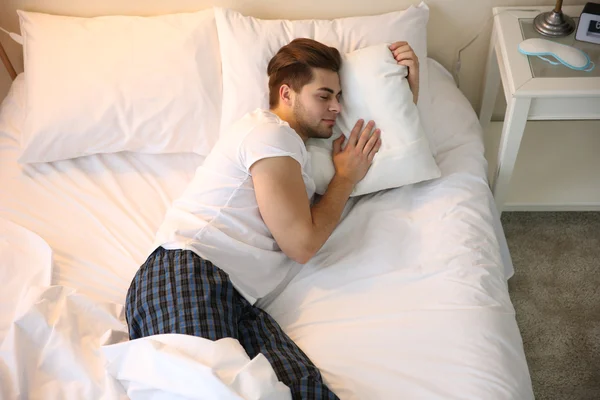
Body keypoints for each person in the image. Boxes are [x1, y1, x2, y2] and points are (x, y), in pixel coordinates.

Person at [125, 38, 420, 399]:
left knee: (303, 390)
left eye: (340, 97)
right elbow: (301, 244)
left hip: (235, 298)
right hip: (187, 271)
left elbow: (389, 152)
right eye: (324, 95)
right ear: (287, 93)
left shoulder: (297, 152)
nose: (336, 107)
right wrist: (345, 179)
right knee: (205, 388)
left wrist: (406, 90)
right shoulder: (269, 134)